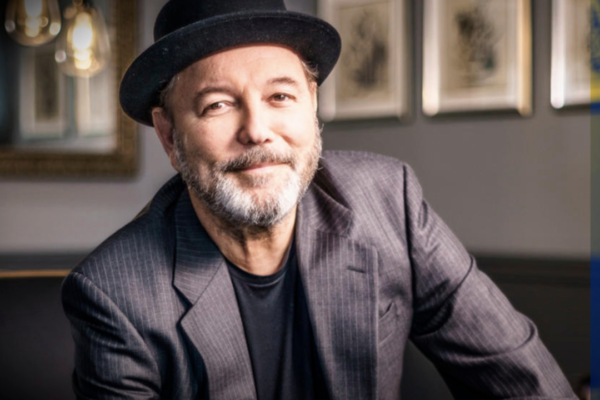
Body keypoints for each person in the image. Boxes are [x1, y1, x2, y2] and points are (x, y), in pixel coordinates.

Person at [61, 0, 577, 399]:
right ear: (170, 136)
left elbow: (520, 378)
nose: (257, 130)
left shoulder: (387, 201)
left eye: (280, 96)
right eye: (217, 105)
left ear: (312, 106)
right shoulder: (115, 293)